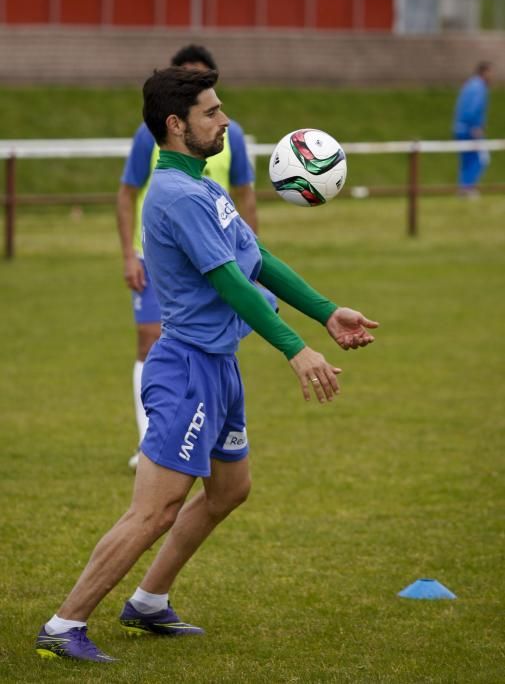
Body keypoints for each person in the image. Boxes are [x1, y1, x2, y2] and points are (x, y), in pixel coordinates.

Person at [35, 66, 379, 663]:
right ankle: (63, 625)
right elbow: (230, 284)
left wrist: (325, 313)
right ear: (177, 125)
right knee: (156, 508)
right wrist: (296, 350)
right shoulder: (177, 194)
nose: (225, 120)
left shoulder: (201, 183)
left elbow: (256, 258)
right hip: (188, 369)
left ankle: (147, 602)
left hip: (219, 366)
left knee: (229, 489)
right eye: (213, 112)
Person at [117, 44, 260, 471]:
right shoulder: (153, 142)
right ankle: (151, 437)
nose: (220, 115)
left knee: (231, 489)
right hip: (159, 256)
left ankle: (180, 435)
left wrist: (250, 249)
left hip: (215, 253)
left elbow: (245, 194)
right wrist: (128, 254)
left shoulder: (226, 139)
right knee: (152, 338)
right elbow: (126, 193)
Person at [453, 61, 492, 196]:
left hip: (459, 127)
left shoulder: (469, 84)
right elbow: (472, 108)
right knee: (480, 159)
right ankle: (468, 189)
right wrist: (475, 126)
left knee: (467, 160)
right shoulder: (479, 87)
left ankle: (463, 188)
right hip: (470, 129)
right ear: (484, 72)